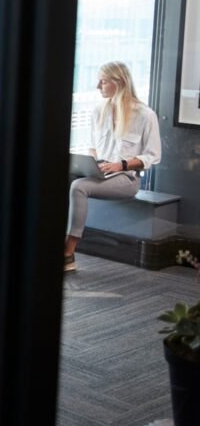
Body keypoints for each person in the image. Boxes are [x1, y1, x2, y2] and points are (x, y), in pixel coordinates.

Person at [64, 61, 161, 272]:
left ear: (119, 83)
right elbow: (92, 148)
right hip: (100, 172)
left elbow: (153, 156)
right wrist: (95, 162)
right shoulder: (99, 111)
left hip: (127, 178)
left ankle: (68, 252)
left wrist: (121, 165)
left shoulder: (145, 115)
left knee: (79, 187)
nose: (98, 86)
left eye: (103, 82)